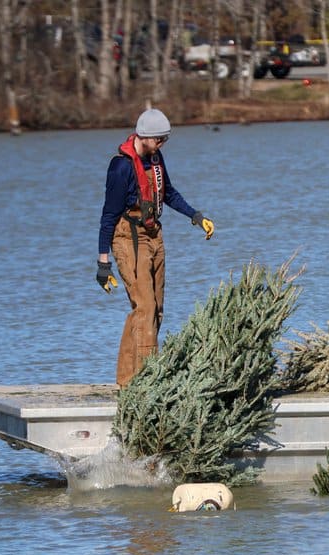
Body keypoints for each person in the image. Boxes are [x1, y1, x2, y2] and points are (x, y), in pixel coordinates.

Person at [96, 108, 215, 387]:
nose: (162, 145)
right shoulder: (121, 167)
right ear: (145, 136)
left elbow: (169, 194)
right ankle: (151, 381)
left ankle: (127, 379)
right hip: (127, 238)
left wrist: (196, 217)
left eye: (165, 140)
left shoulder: (156, 159)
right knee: (145, 307)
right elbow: (108, 216)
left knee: (154, 309)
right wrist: (103, 264)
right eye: (159, 139)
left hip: (154, 235)